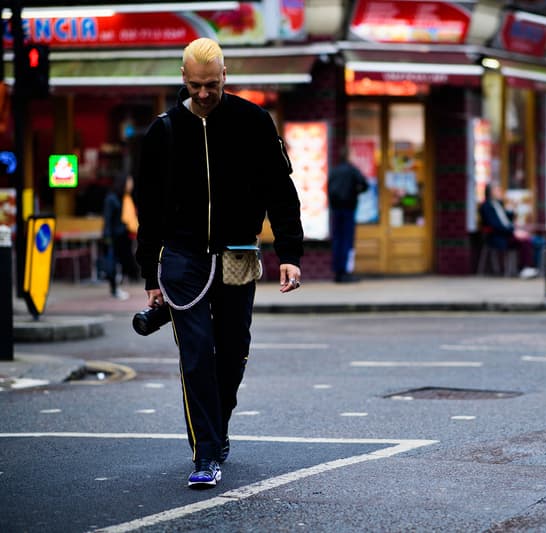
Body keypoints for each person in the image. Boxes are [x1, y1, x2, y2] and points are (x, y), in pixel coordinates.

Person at [134, 37, 304, 489]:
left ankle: (219, 427)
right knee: (195, 357)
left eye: (211, 84)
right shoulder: (164, 130)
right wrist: (149, 273)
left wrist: (290, 253)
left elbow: (280, 192)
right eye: (195, 86)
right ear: (183, 79)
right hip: (182, 257)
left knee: (232, 352)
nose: (203, 94)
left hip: (239, 253)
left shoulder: (253, 121)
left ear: (225, 76)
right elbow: (147, 207)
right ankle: (205, 453)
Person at [479, 182, 538, 279]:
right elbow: (496, 226)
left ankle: (529, 267)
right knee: (524, 241)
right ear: (491, 192)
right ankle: (524, 268)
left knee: (530, 240)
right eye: (497, 190)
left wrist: (512, 208)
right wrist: (513, 232)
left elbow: (507, 219)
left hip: (507, 233)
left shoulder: (499, 204)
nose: (500, 192)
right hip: (497, 236)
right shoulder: (486, 206)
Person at [328, 146, 368, 283]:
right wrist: (356, 191)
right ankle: (345, 272)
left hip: (335, 210)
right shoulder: (352, 170)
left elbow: (328, 187)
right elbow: (364, 185)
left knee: (338, 240)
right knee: (347, 241)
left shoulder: (334, 171)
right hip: (348, 209)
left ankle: (337, 271)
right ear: (349, 156)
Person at [102, 173, 139, 299]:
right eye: (129, 182)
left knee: (120, 263)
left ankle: (117, 287)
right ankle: (114, 288)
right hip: (113, 237)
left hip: (123, 236)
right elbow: (107, 220)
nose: (131, 185)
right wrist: (107, 238)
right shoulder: (112, 199)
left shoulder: (125, 198)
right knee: (113, 264)